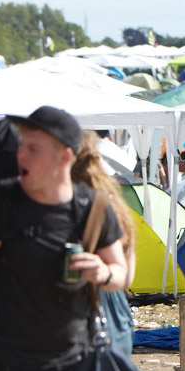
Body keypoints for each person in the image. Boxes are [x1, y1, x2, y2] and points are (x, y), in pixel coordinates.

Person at [0, 106, 128, 371]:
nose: (20, 155)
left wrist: (104, 273)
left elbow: (121, 274)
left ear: (64, 157)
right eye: (21, 146)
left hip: (75, 367)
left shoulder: (92, 208)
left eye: (33, 148)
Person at [70, 131, 137, 355]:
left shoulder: (69, 207)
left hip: (86, 307)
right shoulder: (115, 205)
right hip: (116, 310)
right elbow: (127, 278)